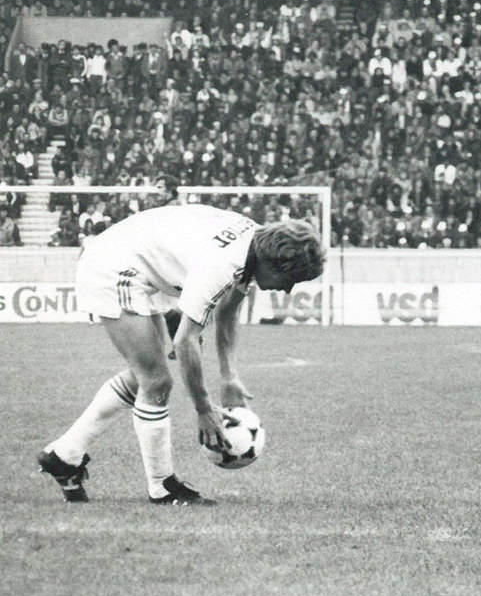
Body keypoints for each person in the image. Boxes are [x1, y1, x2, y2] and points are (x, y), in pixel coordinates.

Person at [38, 206, 324, 505]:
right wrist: (203, 409)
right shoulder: (223, 263)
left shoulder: (255, 242)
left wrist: (230, 377)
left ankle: (63, 456)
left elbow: (227, 312)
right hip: (114, 266)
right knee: (156, 381)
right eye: (290, 279)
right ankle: (162, 487)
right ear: (272, 263)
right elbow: (186, 340)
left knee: (145, 377)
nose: (288, 290)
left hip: (136, 262)